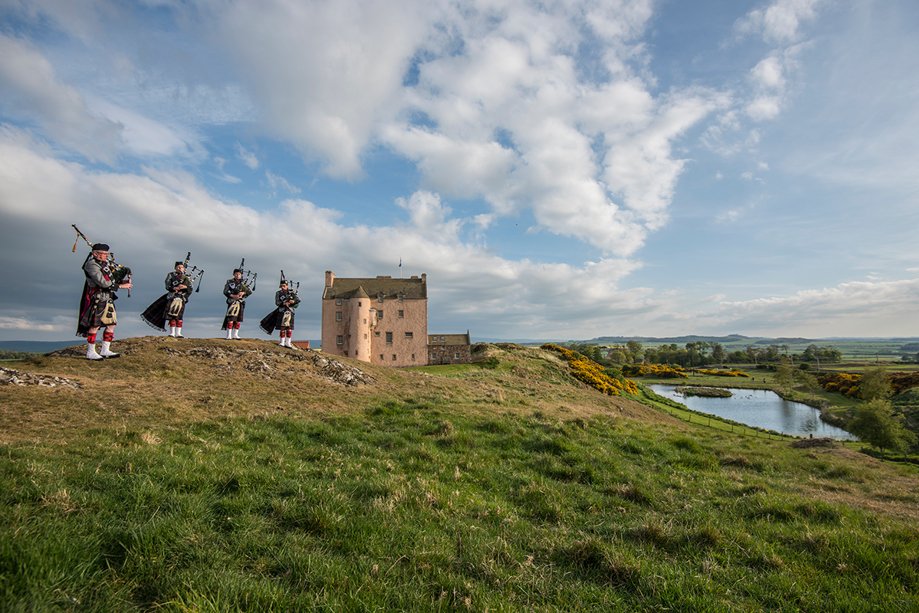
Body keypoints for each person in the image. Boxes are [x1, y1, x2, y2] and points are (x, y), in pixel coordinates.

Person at [77, 243, 133, 360]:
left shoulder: (104, 264)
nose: (106, 256)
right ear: (95, 254)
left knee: (111, 324)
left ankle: (105, 350)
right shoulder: (91, 265)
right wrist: (121, 287)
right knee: (94, 325)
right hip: (97, 297)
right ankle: (90, 352)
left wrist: (123, 282)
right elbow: (103, 283)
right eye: (104, 254)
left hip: (108, 298)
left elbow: (111, 280)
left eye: (107, 254)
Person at [141, 261, 193, 337]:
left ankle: (178, 333)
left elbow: (191, 287)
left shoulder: (185, 277)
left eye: (181, 267)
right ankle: (172, 333)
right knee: (171, 315)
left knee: (179, 316)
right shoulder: (171, 275)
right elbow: (167, 285)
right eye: (178, 267)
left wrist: (184, 287)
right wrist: (174, 288)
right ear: (175, 268)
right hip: (172, 296)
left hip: (181, 298)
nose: (180, 268)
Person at [259, 279, 300, 347]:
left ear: (287, 286)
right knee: (282, 327)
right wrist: (284, 303)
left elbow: (298, 300)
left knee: (289, 328)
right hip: (281, 311)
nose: (282, 287)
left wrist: (293, 302)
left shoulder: (291, 293)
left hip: (290, 311)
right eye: (281, 286)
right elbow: (277, 303)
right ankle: (282, 342)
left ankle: (288, 343)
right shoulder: (278, 293)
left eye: (284, 286)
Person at [222, 268, 252, 339]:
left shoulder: (244, 282)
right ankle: (228, 335)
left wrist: (243, 293)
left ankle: (235, 334)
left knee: (238, 319)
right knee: (231, 318)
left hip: (240, 301)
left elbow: (250, 291)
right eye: (236, 274)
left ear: (241, 275)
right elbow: (225, 291)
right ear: (233, 274)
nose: (237, 275)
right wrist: (233, 296)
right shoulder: (229, 282)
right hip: (232, 301)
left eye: (239, 274)